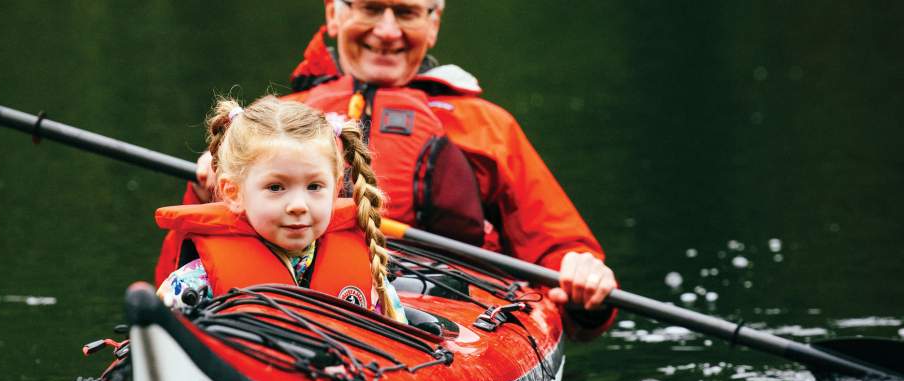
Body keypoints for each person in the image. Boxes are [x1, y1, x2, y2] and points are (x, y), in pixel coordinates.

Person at [156, 0, 616, 339]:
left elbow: (559, 251)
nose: (389, 30)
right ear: (334, 14)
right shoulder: (268, 128)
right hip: (292, 306)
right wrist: (206, 192)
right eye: (372, 9)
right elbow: (175, 270)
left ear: (433, 24)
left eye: (408, 13)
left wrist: (582, 274)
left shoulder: (488, 126)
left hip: (454, 303)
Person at [156, 96, 406, 323]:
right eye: (276, 187)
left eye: (314, 186)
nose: (298, 205)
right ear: (234, 192)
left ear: (336, 188)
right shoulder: (193, 284)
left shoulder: (371, 276)